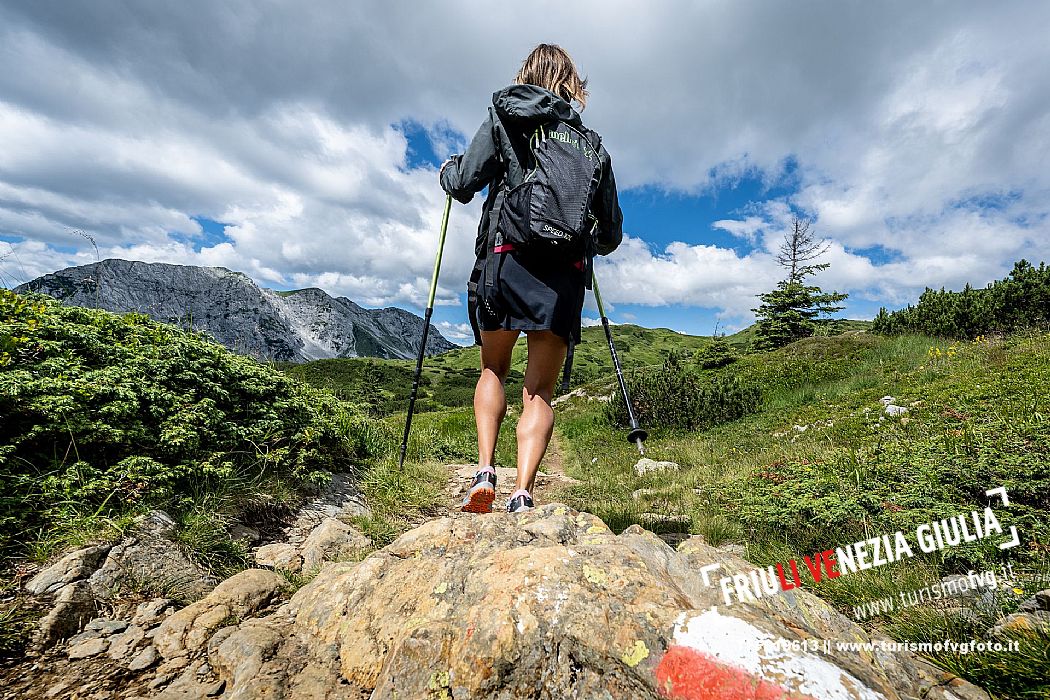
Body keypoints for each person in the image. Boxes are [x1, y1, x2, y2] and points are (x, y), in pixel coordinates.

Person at [439, 44, 622, 514]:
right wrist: (586, 244)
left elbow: (464, 183)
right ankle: (523, 492)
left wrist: (447, 172)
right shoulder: (592, 145)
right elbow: (612, 231)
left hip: (505, 264)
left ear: (528, 75)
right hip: (563, 279)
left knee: (492, 369)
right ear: (571, 82)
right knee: (539, 391)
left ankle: (484, 472)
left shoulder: (507, 115)